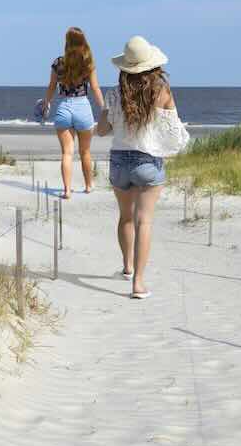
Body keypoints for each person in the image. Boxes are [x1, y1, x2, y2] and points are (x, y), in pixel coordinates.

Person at [96, 35, 189, 300]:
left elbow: (102, 130)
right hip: (147, 162)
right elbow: (174, 130)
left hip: (119, 161)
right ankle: (138, 282)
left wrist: (109, 113)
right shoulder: (161, 91)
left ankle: (126, 267)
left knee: (125, 217)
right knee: (143, 221)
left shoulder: (115, 94)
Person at [39, 27, 105, 198]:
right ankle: (89, 185)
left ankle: (67, 190)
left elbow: (52, 87)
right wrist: (104, 108)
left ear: (67, 42)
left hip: (64, 107)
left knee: (67, 152)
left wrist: (46, 103)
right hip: (82, 106)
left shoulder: (58, 62)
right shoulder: (87, 62)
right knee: (85, 152)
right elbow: (95, 88)